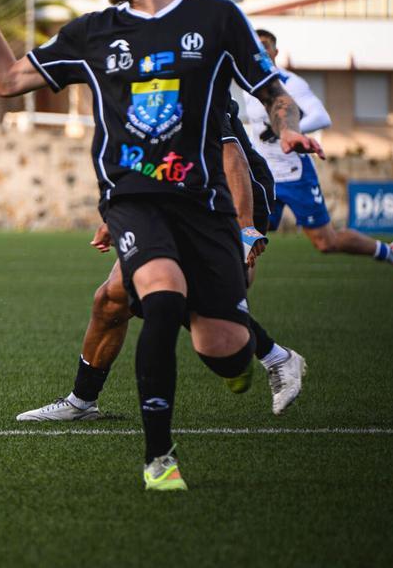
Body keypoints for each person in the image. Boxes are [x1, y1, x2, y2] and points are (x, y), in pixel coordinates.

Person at [0, 0, 323, 490]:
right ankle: (159, 462)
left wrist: (288, 126)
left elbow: (272, 91)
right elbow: (5, 80)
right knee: (159, 295)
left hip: (203, 206)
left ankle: (257, 358)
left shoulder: (217, 18)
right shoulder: (94, 33)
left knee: (220, 345)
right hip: (133, 200)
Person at [16, 97, 307, 423]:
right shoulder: (132, 85)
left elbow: (231, 156)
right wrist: (119, 216)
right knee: (112, 298)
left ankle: (271, 356)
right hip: (171, 199)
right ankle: (82, 401)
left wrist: (245, 227)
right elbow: (144, 160)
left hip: (220, 202)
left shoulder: (191, 72)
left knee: (205, 331)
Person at [244, 29, 393, 289]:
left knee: (326, 242)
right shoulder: (247, 85)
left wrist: (288, 130)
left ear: (276, 52)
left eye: (266, 46)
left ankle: (391, 252)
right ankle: (236, 312)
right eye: (256, 47)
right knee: (247, 239)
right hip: (264, 176)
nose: (262, 52)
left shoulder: (291, 84)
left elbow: (322, 116)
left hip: (295, 174)